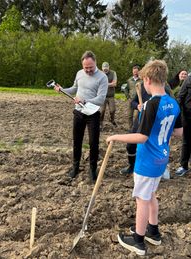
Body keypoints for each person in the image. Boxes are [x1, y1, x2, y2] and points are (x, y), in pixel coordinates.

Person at [106, 60, 183, 256]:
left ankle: (138, 240)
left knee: (142, 199)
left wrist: (116, 137)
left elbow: (141, 137)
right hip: (162, 158)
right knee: (151, 195)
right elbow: (179, 132)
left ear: (147, 80)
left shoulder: (151, 104)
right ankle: (153, 231)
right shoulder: (173, 103)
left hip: (147, 161)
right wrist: (159, 130)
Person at [54, 50, 108, 182]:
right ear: (82, 65)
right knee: (77, 141)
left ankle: (92, 169)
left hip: (93, 114)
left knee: (93, 143)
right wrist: (62, 90)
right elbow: (74, 89)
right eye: (86, 67)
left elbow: (101, 99)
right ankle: (75, 167)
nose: (88, 70)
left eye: (90, 67)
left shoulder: (102, 77)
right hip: (78, 112)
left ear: (95, 63)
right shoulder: (79, 73)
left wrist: (85, 101)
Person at [175, 75, 191, 176]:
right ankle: (184, 166)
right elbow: (180, 97)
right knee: (187, 142)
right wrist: (177, 116)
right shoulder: (189, 80)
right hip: (188, 117)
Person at [100, 62, 117, 129]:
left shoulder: (113, 73)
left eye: (106, 68)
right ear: (102, 68)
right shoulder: (100, 74)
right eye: (104, 69)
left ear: (109, 67)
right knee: (101, 111)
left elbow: (115, 84)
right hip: (102, 96)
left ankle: (112, 120)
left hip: (111, 96)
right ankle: (100, 123)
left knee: (112, 110)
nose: (105, 70)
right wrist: (110, 84)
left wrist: (104, 84)